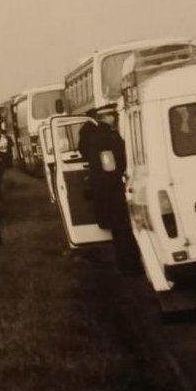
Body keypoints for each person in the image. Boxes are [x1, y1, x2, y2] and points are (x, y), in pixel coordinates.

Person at [78, 108, 141, 274]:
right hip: (112, 189)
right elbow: (111, 165)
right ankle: (131, 267)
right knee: (123, 229)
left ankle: (126, 266)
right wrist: (121, 174)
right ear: (105, 117)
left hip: (105, 190)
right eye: (112, 115)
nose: (115, 118)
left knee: (118, 231)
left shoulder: (94, 134)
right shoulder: (106, 137)